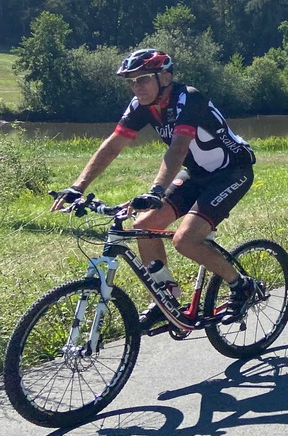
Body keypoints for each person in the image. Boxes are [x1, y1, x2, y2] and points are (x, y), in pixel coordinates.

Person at [50, 48, 260, 334]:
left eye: (144, 79)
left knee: (185, 240)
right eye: (132, 82)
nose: (137, 87)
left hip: (232, 172)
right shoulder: (141, 106)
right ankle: (167, 298)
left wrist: (156, 191)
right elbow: (113, 145)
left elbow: (178, 148)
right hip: (198, 174)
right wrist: (77, 187)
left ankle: (242, 286)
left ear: (166, 77)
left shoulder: (189, 98)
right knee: (144, 225)